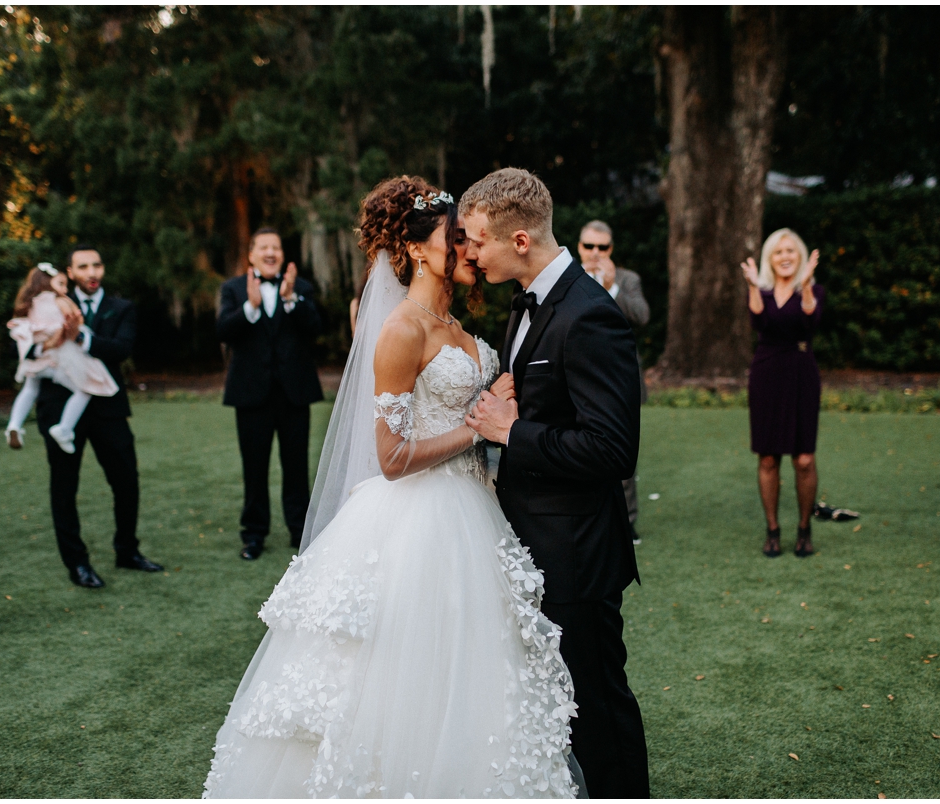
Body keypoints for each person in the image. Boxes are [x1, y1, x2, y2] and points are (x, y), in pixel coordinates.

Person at [204, 177, 580, 798]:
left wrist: (495, 408)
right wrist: (478, 427)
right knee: (405, 674)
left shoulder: (456, 324)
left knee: (477, 674)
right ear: (413, 251)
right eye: (453, 238)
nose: (466, 249)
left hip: (475, 510)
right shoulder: (403, 330)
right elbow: (391, 456)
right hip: (419, 521)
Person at [464, 168, 650, 799]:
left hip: (577, 554)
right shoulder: (525, 301)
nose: (469, 252)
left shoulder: (590, 315)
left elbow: (612, 448)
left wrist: (513, 432)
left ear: (518, 240)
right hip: (529, 543)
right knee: (556, 706)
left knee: (595, 703)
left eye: (477, 239)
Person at [36, 244, 162, 589]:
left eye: (97, 265)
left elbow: (121, 349)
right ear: (71, 271)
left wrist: (82, 337)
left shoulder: (121, 308)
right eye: (83, 267)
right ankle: (77, 564)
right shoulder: (50, 304)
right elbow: (34, 345)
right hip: (62, 409)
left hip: (108, 407)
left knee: (126, 481)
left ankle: (127, 550)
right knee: (64, 489)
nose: (91, 273)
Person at [216, 227, 324, 557]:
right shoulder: (233, 289)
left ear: (282, 253)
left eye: (275, 247)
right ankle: (253, 535)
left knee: (296, 467)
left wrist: (291, 299)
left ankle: (299, 531)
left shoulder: (301, 287)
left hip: (294, 393)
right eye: (263, 247)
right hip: (251, 395)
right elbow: (223, 330)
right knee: (254, 467)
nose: (270, 252)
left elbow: (316, 327)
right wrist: (250, 307)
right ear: (251, 255)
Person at [739, 227, 824, 558]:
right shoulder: (762, 290)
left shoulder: (814, 289)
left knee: (804, 459)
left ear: (800, 256)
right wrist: (752, 286)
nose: (785, 256)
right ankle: (772, 529)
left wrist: (804, 284)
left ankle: (804, 528)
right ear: (769, 259)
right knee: (769, 456)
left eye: (790, 251)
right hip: (767, 373)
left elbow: (810, 322)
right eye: (778, 251)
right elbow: (759, 322)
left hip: (802, 372)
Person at [578, 219, 650, 543]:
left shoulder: (627, 279)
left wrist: (612, 288)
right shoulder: (568, 276)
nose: (595, 253)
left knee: (622, 451)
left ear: (611, 249)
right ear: (579, 246)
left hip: (619, 377)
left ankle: (628, 519)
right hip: (579, 375)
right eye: (589, 246)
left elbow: (642, 317)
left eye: (602, 247)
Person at [4, 263, 118, 453]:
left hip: (36, 359)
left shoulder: (32, 302)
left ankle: (14, 425)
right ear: (48, 282)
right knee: (85, 388)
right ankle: (64, 428)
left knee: (30, 389)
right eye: (61, 284)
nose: (65, 289)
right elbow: (73, 320)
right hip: (56, 357)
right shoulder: (58, 300)